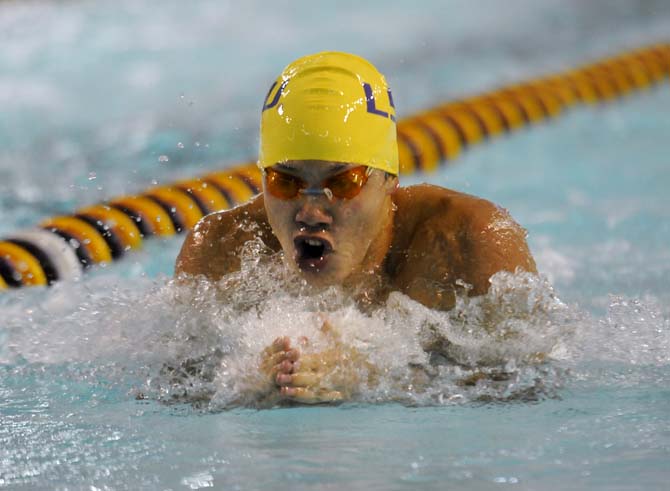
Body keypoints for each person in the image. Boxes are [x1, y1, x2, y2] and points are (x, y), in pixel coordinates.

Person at [175, 52, 537, 404]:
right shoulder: (220, 251)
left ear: (389, 178)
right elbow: (174, 389)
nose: (311, 211)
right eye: (285, 182)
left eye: (344, 182)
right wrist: (242, 384)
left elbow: (530, 385)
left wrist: (373, 377)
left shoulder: (469, 240)